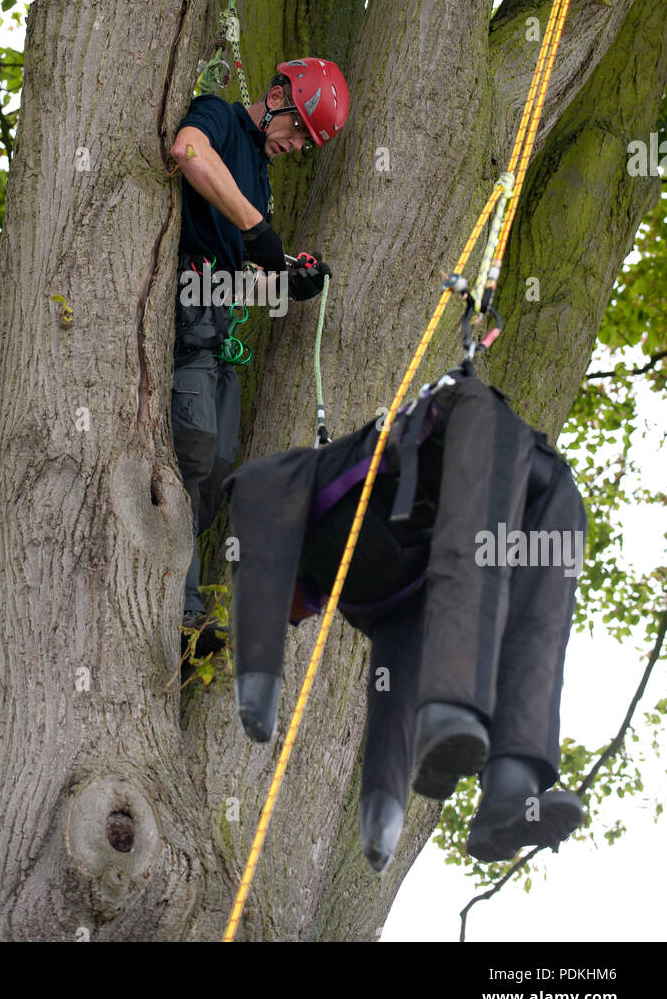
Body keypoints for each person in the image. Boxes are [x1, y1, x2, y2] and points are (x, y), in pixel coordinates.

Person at [224, 367, 586, 870]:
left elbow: (253, 519)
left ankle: (510, 785)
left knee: (557, 513)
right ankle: (472, 739)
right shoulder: (373, 604)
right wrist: (381, 818)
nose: (297, 620)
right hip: (467, 465)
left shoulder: (290, 485)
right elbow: (392, 703)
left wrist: (257, 683)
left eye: (289, 616)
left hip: (448, 429)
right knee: (516, 506)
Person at [169, 57, 350, 635]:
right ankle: (182, 610)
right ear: (276, 96)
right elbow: (189, 152)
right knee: (190, 455)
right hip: (185, 317)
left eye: (307, 140)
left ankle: (187, 604)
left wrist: (285, 280)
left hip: (218, 327)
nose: (297, 143)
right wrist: (256, 230)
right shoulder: (219, 118)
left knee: (219, 469)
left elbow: (239, 268)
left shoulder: (261, 183)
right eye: (297, 128)